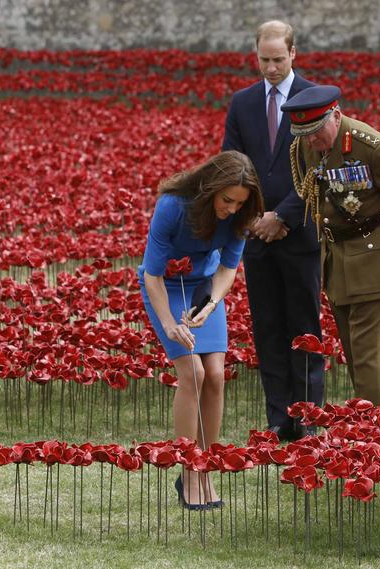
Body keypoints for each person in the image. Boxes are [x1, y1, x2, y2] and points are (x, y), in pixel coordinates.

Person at [281, 85, 380, 405]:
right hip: (339, 262)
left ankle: (374, 429)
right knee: (360, 359)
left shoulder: (371, 148)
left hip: (375, 263)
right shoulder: (307, 145)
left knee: (368, 363)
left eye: (316, 131)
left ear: (336, 116)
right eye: (304, 133)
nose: (311, 140)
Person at [139, 150, 264, 509]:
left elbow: (227, 268)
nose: (232, 209)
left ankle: (205, 466)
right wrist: (168, 324)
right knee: (192, 373)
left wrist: (211, 303)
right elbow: (152, 274)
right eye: (227, 200)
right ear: (210, 188)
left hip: (204, 289)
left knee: (215, 375)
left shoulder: (240, 216)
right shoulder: (173, 206)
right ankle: (188, 468)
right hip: (166, 288)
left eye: (239, 203)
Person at [222, 20, 324, 441]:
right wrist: (252, 218)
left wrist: (281, 216)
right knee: (267, 329)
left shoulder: (314, 99)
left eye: (278, 59)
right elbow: (232, 166)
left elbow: (321, 167)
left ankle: (309, 417)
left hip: (299, 235)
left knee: (304, 328)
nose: (271, 68)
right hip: (257, 238)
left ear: (293, 54)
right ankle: (279, 419)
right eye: (264, 60)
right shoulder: (243, 103)